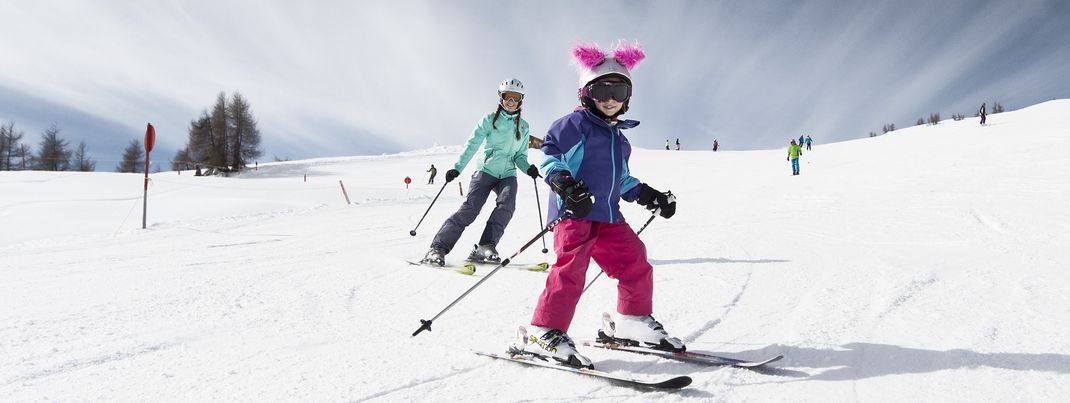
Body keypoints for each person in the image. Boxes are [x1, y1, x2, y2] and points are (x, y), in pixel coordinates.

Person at [511, 41, 682, 369]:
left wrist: (650, 196)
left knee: (634, 259)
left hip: (609, 217)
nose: (610, 99)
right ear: (586, 93)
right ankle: (543, 332)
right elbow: (550, 158)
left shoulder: (620, 140)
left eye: (619, 91)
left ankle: (632, 320)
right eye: (602, 90)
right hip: (574, 213)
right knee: (571, 270)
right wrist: (565, 185)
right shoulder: (572, 125)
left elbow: (622, 181)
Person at [420, 78, 541, 266]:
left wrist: (528, 168)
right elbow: (472, 144)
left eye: (515, 98)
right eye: (507, 97)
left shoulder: (524, 126)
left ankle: (485, 247)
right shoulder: (489, 120)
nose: (511, 102)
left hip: (508, 174)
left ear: (520, 101)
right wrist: (457, 168)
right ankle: (437, 248)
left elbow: (520, 156)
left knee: (507, 206)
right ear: (501, 98)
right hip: (486, 170)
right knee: (470, 209)